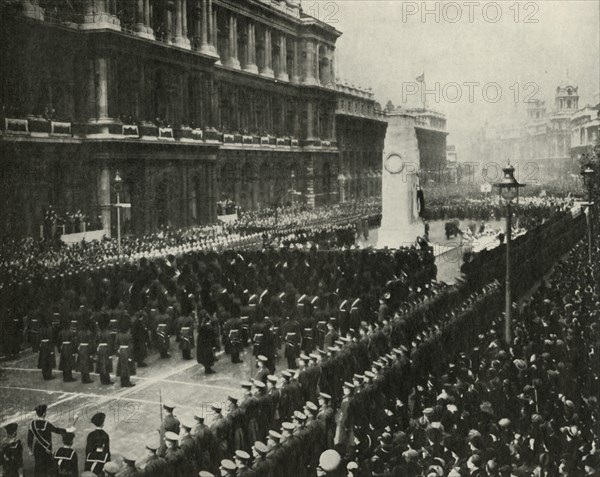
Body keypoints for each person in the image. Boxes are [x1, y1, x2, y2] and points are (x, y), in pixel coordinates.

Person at [27, 404, 68, 477]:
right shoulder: (46, 424)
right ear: (44, 413)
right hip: (47, 449)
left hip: (37, 448)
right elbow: (56, 430)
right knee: (47, 468)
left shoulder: (32, 424)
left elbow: (29, 438)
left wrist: (30, 450)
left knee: (38, 467)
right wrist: (67, 430)